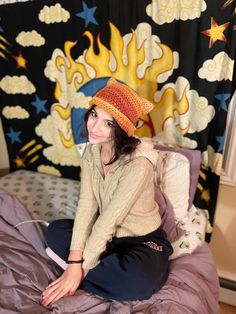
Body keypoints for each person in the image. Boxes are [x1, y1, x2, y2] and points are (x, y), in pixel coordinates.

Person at [41, 78, 173, 307]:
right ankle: (86, 271)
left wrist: (77, 268)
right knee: (54, 231)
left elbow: (109, 220)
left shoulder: (139, 165)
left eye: (109, 123)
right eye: (94, 115)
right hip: (106, 236)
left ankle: (78, 276)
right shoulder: (91, 153)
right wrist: (75, 260)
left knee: (137, 281)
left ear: (122, 129)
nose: (95, 127)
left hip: (141, 242)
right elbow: (87, 205)